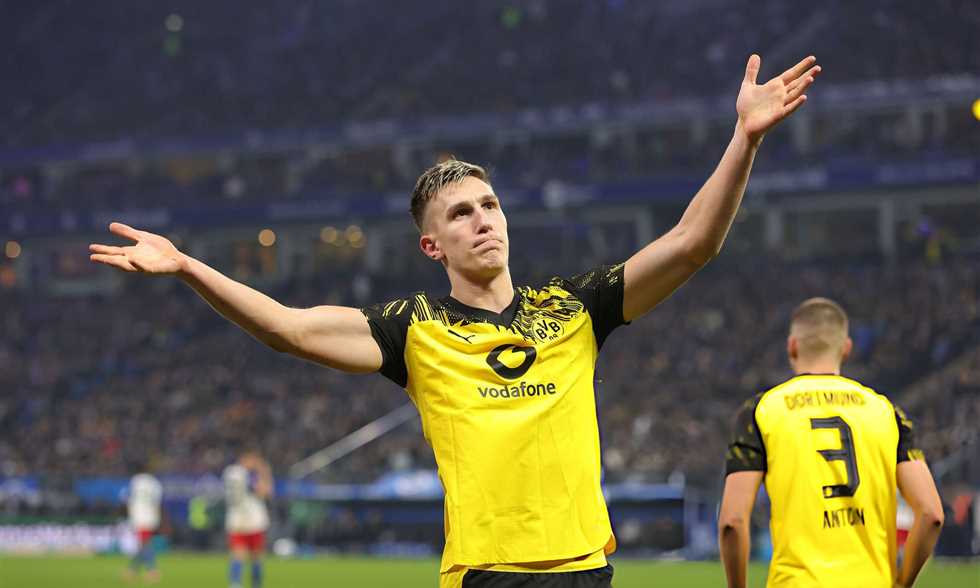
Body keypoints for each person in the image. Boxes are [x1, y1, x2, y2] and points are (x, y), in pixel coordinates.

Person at [90, 53, 820, 588]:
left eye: (490, 205)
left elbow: (692, 244)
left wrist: (745, 138)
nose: (483, 220)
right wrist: (187, 266)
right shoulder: (413, 328)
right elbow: (288, 327)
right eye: (462, 213)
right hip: (485, 575)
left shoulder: (575, 307)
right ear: (431, 245)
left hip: (586, 571)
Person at [719, 298, 944, 588]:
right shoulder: (886, 412)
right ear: (846, 348)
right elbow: (931, 514)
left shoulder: (761, 411)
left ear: (792, 346)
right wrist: (902, 583)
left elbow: (732, 522)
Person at [223, 451, 273, 588]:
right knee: (254, 556)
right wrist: (264, 471)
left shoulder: (230, 472)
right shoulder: (247, 474)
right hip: (252, 520)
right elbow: (264, 492)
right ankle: (254, 584)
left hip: (237, 519)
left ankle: (235, 584)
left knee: (239, 555)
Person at [124, 469, 163, 583]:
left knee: (144, 544)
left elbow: (127, 497)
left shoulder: (135, 480)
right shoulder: (155, 483)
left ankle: (152, 570)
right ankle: (132, 570)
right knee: (143, 544)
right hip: (151, 516)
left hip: (139, 516)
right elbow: (157, 502)